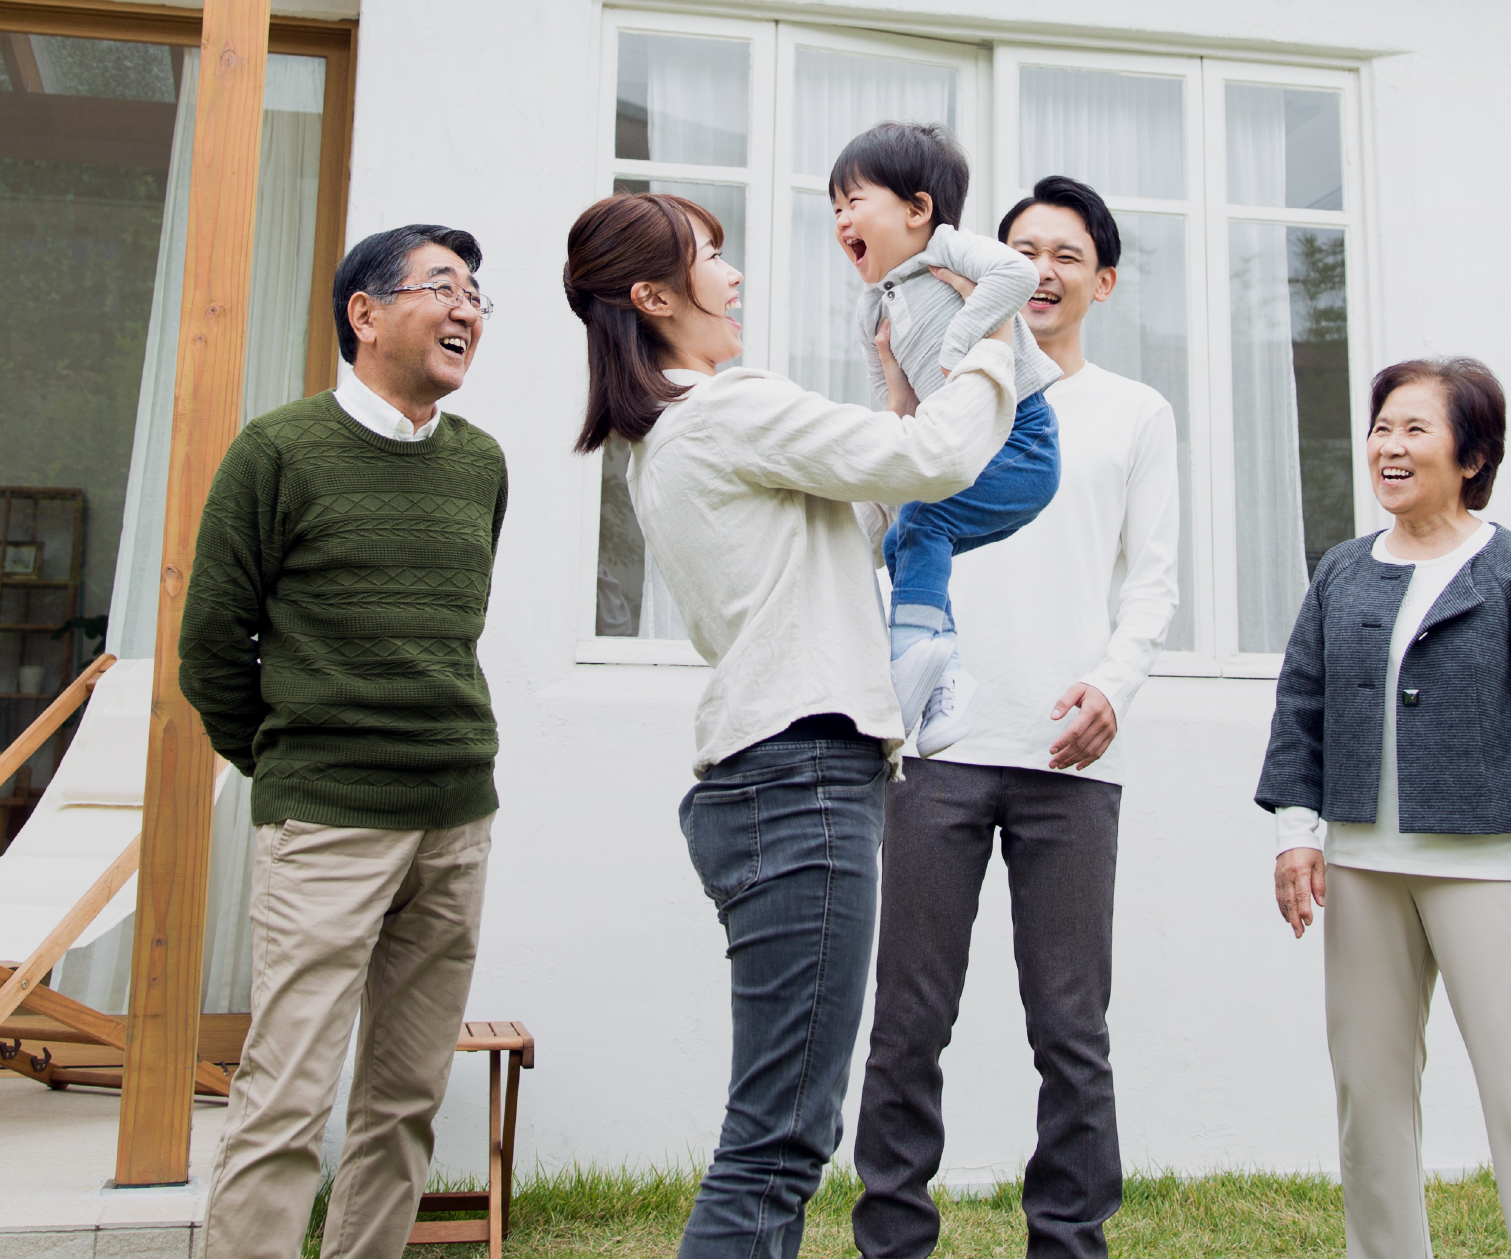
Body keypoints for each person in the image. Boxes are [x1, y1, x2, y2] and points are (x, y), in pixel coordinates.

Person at [565, 189, 1017, 1259]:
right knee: (776, 1142)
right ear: (653, 294)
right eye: (711, 257)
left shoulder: (670, 439)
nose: (731, 278)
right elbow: (931, 462)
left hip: (774, 784)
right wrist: (992, 335)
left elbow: (861, 504)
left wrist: (897, 387)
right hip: (798, 780)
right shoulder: (723, 408)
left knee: (781, 1132)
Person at [852, 175, 1181, 1259]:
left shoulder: (1134, 412)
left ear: (1103, 280)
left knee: (1071, 1032)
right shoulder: (946, 402)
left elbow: (1151, 583)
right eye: (1021, 250)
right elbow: (882, 541)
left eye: (1065, 254)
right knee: (907, 1022)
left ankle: (1069, 1242)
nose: (1040, 270)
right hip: (935, 753)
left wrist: (1112, 689)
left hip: (1070, 755)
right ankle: (891, 1240)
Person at [1255, 357, 1511, 1259]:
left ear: (1473, 455)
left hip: (1490, 868)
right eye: (1383, 426)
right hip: (1362, 867)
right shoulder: (1344, 571)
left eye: (1415, 429)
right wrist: (1297, 835)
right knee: (1369, 1101)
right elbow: (1300, 707)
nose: (1389, 445)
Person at [187, 224, 509, 1259]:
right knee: (286, 1097)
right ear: (363, 314)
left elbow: (451, 630)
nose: (466, 309)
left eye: (475, 296)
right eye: (442, 288)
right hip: (326, 820)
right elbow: (209, 651)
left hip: (456, 817)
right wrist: (298, 764)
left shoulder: (480, 465)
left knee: (406, 1097)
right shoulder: (277, 452)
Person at [833, 121, 1064, 731]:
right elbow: (895, 410)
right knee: (907, 542)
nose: (840, 220)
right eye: (834, 208)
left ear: (918, 209)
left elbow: (1016, 275)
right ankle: (946, 681)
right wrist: (893, 375)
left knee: (923, 520)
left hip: (1021, 441)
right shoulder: (872, 306)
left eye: (854, 202)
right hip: (963, 446)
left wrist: (965, 336)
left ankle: (909, 655)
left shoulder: (946, 248)